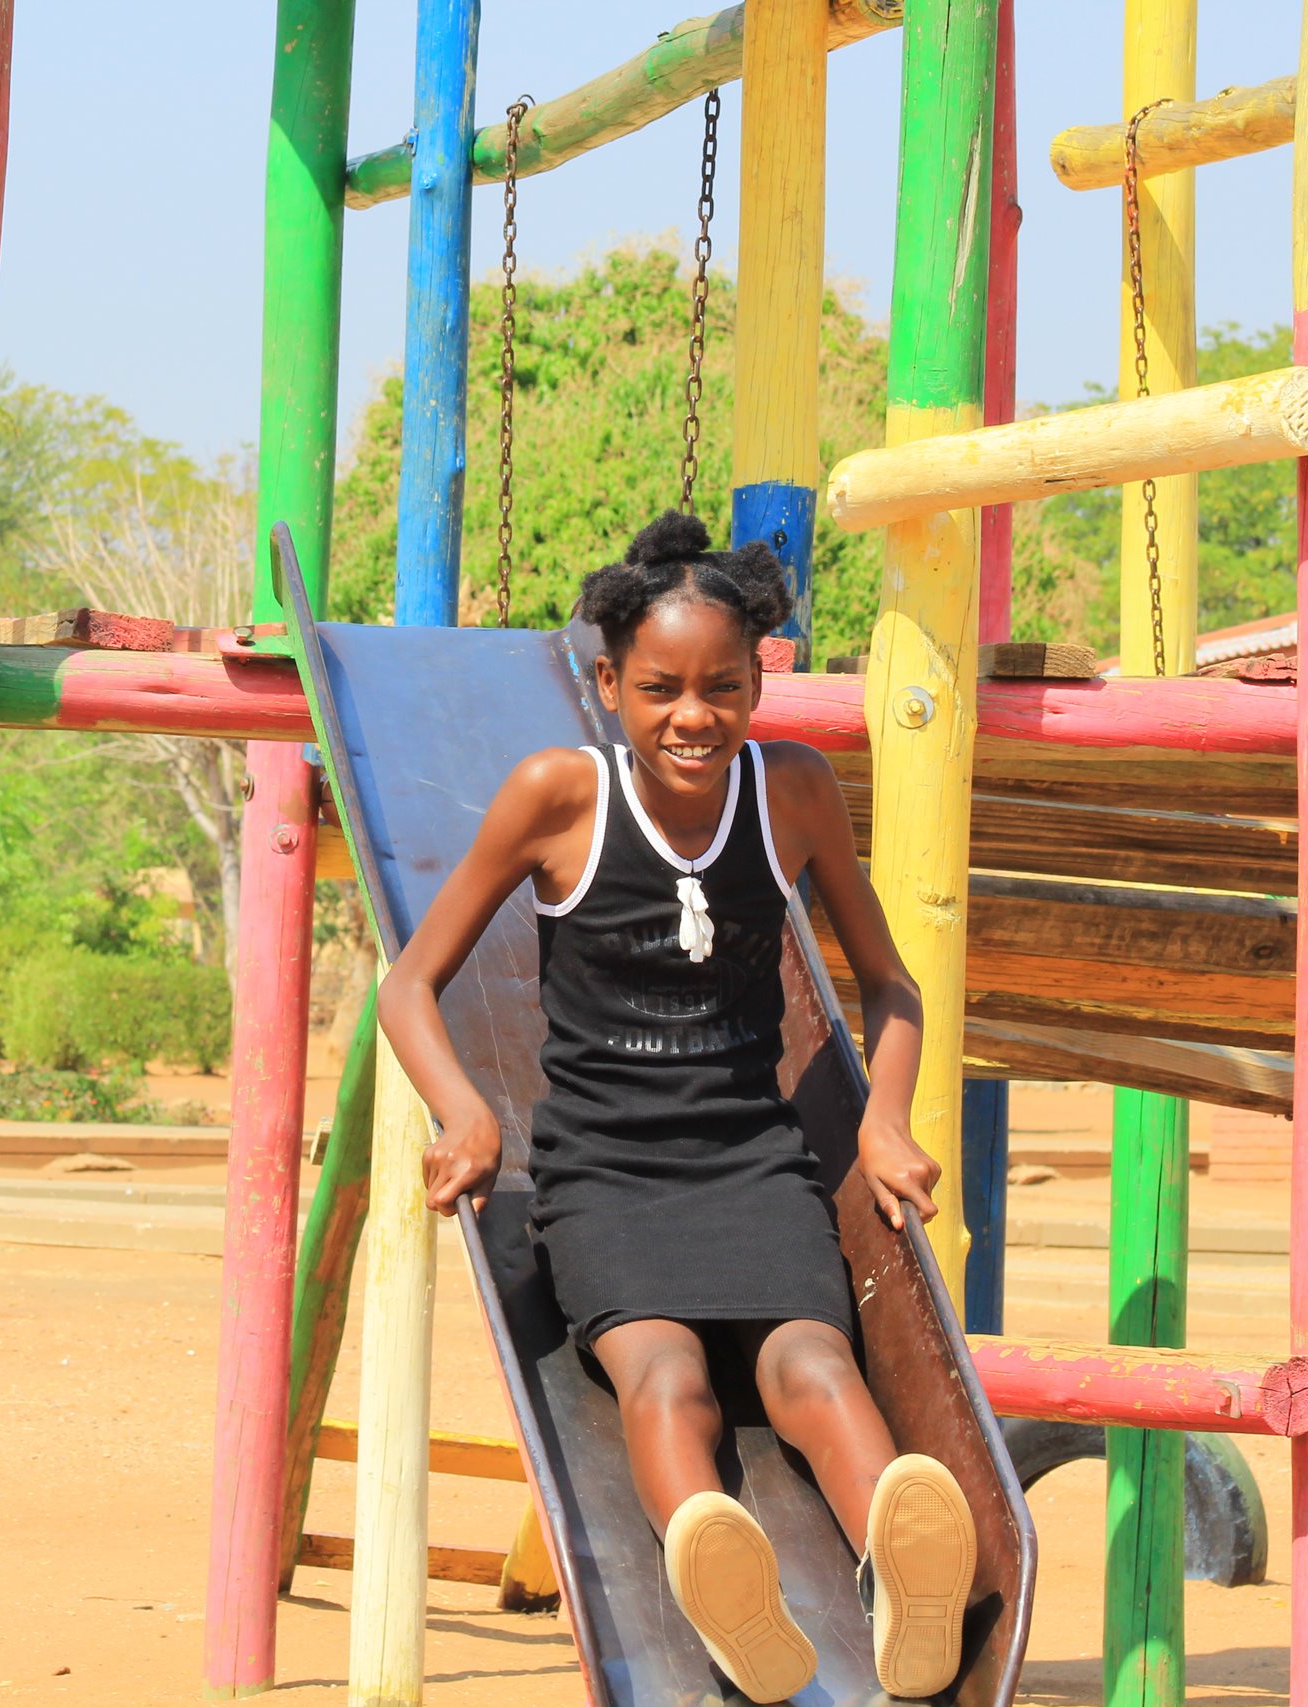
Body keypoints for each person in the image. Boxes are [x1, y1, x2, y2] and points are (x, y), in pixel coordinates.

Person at [376, 512, 977, 1703]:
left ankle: (903, 1572)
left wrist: (885, 1120)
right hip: (603, 1174)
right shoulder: (559, 795)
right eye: (659, 689)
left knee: (814, 1368)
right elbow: (410, 984)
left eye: (723, 687)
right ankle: (714, 1564)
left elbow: (890, 984)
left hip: (754, 1164)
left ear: (758, 683)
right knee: (667, 1380)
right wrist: (465, 1112)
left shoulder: (792, 791)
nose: (692, 715)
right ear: (607, 684)